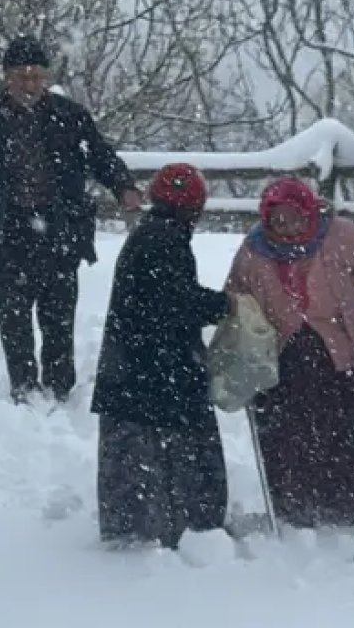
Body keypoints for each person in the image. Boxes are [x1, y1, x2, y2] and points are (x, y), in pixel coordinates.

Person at [0, 35, 143, 405]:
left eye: (37, 76)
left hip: (59, 229)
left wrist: (124, 187)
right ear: (7, 78)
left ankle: (59, 384)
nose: (30, 84)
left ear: (47, 78)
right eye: (22, 76)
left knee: (59, 315)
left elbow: (100, 156)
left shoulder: (69, 116)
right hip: (5, 229)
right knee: (13, 316)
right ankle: (23, 383)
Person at [224, 177, 354, 529]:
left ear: (309, 212)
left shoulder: (337, 235)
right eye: (276, 219)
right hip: (283, 356)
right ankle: (300, 508)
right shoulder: (253, 250)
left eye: (294, 217)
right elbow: (234, 296)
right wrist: (240, 342)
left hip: (343, 352)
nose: (286, 227)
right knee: (292, 432)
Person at [91, 163, 234, 550]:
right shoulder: (166, 239)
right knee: (177, 449)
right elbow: (174, 302)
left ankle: (140, 521)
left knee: (136, 453)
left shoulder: (151, 233)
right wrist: (225, 304)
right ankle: (182, 525)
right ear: (196, 208)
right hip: (158, 370)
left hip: (132, 366)